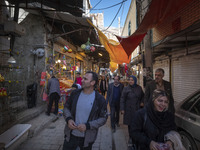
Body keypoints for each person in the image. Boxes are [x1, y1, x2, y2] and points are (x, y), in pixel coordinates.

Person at [62, 71, 107, 150]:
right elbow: (66, 108)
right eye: (83, 78)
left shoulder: (99, 99)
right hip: (70, 135)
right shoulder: (75, 94)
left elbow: (103, 118)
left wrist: (88, 126)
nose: (82, 80)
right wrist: (68, 119)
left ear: (92, 82)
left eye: (85, 79)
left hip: (87, 139)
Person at [120, 75, 144, 145]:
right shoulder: (126, 89)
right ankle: (131, 138)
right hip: (129, 110)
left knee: (138, 124)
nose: (130, 81)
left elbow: (143, 96)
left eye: (132, 80)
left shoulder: (139, 88)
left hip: (137, 109)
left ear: (135, 81)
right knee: (130, 125)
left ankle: (137, 138)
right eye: (129, 80)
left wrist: (142, 102)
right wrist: (122, 109)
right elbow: (122, 99)